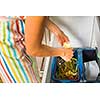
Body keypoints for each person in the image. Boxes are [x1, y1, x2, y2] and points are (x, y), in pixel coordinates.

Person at [0, 16, 73, 83]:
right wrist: (63, 53)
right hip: (6, 48)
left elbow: (34, 18)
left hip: (17, 36)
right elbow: (34, 50)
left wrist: (57, 32)